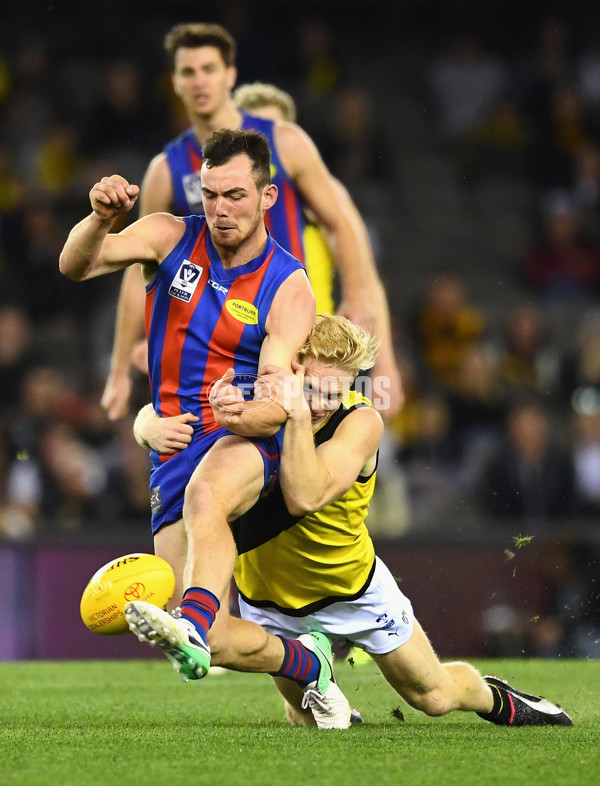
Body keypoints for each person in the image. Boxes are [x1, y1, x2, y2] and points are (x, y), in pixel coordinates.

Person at [132, 314, 573, 728]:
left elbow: (305, 495)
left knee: (433, 697)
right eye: (312, 389)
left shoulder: (362, 421)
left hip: (349, 588)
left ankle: (498, 698)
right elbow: (168, 401)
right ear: (292, 367)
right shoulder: (258, 388)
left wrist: (298, 413)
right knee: (303, 716)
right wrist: (146, 424)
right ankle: (322, 680)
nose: (323, 403)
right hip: (268, 598)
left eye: (334, 392)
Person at [59, 129, 359, 728]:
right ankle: (306, 661)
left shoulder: (288, 287)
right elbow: (76, 264)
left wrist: (239, 413)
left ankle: (190, 624)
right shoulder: (170, 237)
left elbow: (281, 401)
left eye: (237, 196)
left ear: (268, 196)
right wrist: (97, 219)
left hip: (246, 438)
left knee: (207, 494)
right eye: (212, 194)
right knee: (214, 641)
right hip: (174, 448)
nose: (221, 209)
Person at [99, 23, 402, 424]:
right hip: (220, 345)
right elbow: (140, 273)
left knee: (327, 446)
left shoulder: (285, 141)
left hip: (293, 328)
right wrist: (120, 369)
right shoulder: (165, 171)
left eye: (209, 68)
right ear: (174, 82)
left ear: (230, 75)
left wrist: (360, 292)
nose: (199, 81)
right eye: (188, 72)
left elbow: (342, 220)